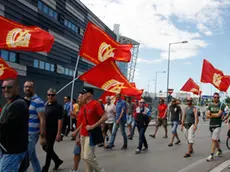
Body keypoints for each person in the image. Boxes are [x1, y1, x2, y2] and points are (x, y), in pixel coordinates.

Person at [0, 79, 29, 171]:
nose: (5, 90)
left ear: (17, 88)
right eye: (3, 87)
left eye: (9, 87)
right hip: (11, 150)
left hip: (13, 152)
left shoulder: (18, 104)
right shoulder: (10, 104)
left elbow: (5, 127)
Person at [79, 87, 107, 172]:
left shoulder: (95, 104)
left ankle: (100, 170)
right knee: (84, 158)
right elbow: (82, 121)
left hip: (90, 135)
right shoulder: (84, 106)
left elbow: (105, 117)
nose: (82, 95)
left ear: (89, 94)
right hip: (82, 134)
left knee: (88, 157)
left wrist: (93, 126)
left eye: (84, 93)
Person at [24, 81, 46, 172]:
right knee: (33, 157)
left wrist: (42, 136)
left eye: (30, 87)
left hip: (32, 135)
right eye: (26, 87)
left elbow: (42, 119)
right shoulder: (23, 101)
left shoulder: (38, 101)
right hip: (24, 133)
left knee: (25, 159)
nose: (28, 88)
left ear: (34, 88)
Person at [42, 88, 63, 172]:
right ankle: (57, 160)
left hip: (53, 131)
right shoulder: (46, 105)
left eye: (52, 95)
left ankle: (46, 167)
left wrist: (58, 133)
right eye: (49, 95)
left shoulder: (58, 107)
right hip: (45, 130)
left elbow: (60, 120)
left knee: (49, 148)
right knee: (44, 147)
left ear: (55, 96)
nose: (50, 96)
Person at [206, 92, 225, 162]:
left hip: (218, 125)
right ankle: (219, 150)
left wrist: (211, 114)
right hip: (211, 125)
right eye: (215, 97)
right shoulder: (210, 105)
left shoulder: (221, 105)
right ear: (213, 98)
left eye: (217, 97)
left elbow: (218, 115)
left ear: (219, 98)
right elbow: (207, 115)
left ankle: (211, 154)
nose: (216, 98)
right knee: (215, 139)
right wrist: (213, 114)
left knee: (213, 139)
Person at [70, 92, 85, 172]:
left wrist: (76, 133)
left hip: (85, 134)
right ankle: (75, 168)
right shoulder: (80, 108)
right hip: (80, 133)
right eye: (78, 97)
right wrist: (75, 115)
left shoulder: (85, 108)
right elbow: (80, 120)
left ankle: (92, 168)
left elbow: (84, 122)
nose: (78, 99)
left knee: (87, 156)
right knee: (77, 152)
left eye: (80, 97)